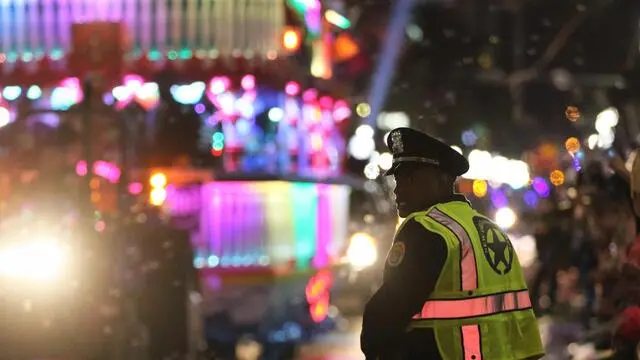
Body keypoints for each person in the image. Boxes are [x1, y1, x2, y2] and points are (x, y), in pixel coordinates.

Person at [360, 127, 545, 360]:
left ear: (443, 180)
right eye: (398, 179)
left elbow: (389, 311)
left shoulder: (426, 228)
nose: (399, 190)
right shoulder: (489, 229)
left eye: (410, 178)